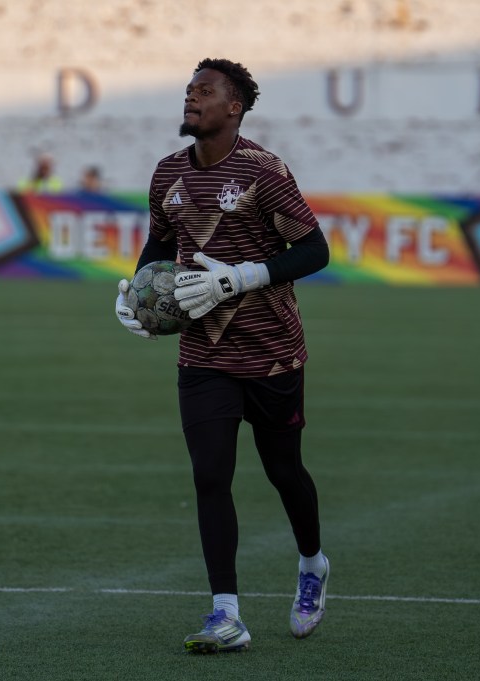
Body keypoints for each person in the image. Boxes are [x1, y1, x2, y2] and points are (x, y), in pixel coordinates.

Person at [114, 58, 331, 654]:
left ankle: (312, 565)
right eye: (188, 90)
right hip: (204, 354)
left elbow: (315, 250)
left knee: (285, 473)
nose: (191, 98)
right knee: (211, 476)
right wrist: (137, 291)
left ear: (233, 107)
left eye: (204, 91)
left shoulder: (264, 172)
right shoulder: (166, 175)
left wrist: (241, 278)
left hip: (272, 354)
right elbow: (160, 242)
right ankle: (225, 614)